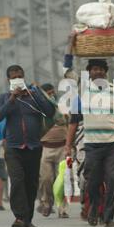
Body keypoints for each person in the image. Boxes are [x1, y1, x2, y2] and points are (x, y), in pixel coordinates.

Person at [65, 59, 114, 227]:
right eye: (94, 69)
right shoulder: (81, 92)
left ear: (106, 72)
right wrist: (68, 144)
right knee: (92, 181)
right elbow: (68, 74)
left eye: (100, 69)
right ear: (89, 72)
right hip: (92, 145)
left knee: (113, 181)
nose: (97, 72)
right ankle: (95, 205)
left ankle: (108, 217)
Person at [0, 65, 55, 227]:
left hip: (34, 147)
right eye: (14, 78)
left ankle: (28, 220)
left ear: (24, 77)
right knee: (18, 179)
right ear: (9, 80)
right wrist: (11, 99)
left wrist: (36, 93)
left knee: (31, 184)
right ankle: (19, 217)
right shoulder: (5, 97)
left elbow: (50, 112)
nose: (17, 80)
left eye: (20, 77)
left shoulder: (34, 96)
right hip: (13, 148)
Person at [36, 83, 69, 218]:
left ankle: (63, 208)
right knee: (46, 180)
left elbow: (69, 123)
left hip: (62, 147)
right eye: (48, 93)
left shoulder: (62, 107)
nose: (51, 95)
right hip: (45, 149)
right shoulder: (39, 109)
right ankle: (46, 204)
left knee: (62, 180)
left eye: (52, 92)